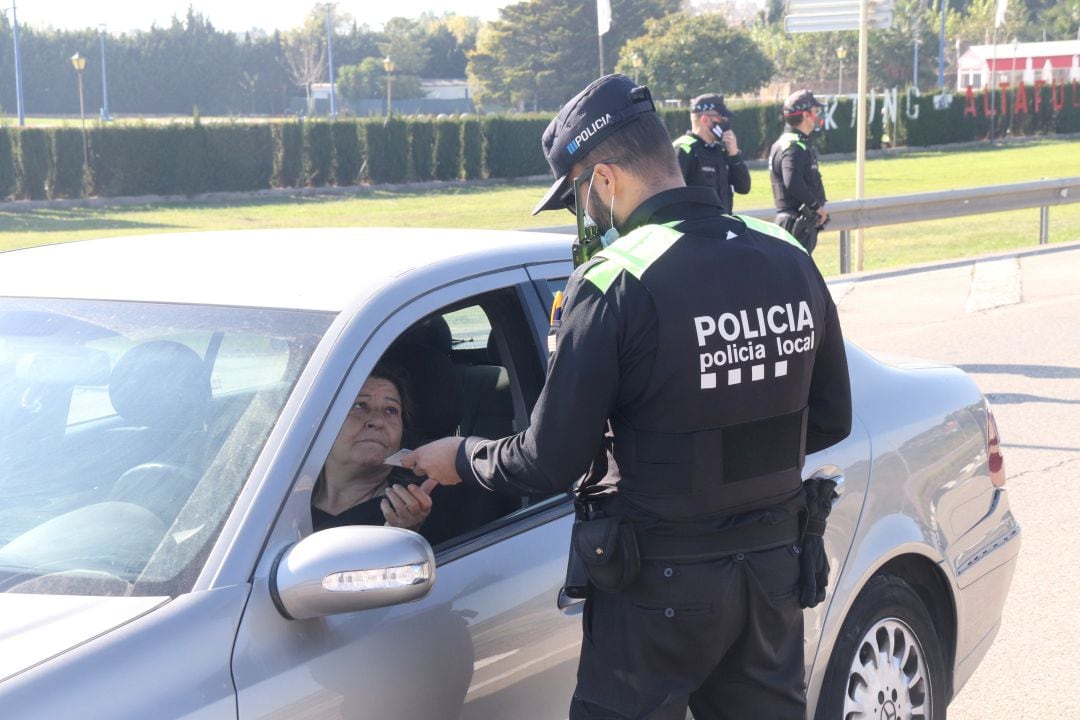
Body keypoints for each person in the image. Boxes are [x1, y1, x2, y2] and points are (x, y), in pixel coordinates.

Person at [405, 74, 851, 720]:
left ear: (605, 179)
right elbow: (831, 417)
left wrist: (462, 455)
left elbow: (550, 459)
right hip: (773, 582)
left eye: (579, 198)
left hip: (656, 600)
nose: (585, 215)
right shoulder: (788, 257)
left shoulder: (615, 280)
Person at [312, 364, 433, 532]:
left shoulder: (416, 508)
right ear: (324, 423)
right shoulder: (279, 495)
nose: (378, 421)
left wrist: (403, 534)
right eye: (360, 405)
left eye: (391, 410)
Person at [769, 89, 829, 255]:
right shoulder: (793, 147)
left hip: (797, 223)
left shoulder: (789, 143)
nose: (818, 116)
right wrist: (817, 207)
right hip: (795, 224)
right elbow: (792, 182)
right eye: (816, 111)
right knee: (794, 277)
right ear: (806, 115)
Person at [673, 93, 751, 214]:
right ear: (705, 119)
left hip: (724, 225)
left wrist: (734, 154)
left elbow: (744, 188)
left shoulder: (721, 150)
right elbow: (673, 197)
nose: (725, 122)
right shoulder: (683, 149)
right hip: (697, 228)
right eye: (721, 118)